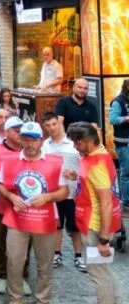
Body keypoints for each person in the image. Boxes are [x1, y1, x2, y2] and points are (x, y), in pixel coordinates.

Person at [0, 122, 68, 304]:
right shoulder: (10, 160)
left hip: (44, 220)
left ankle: (43, 299)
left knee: (45, 264)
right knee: (14, 262)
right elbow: (1, 185)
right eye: (26, 140)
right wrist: (12, 198)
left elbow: (64, 192)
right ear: (20, 140)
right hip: (17, 220)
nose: (29, 145)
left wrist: (48, 197)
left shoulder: (56, 162)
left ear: (41, 141)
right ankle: (15, 298)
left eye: (33, 140)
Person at [66, 123, 123, 304]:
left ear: (90, 141)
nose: (75, 146)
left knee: (98, 273)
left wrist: (104, 240)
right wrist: (78, 177)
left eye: (78, 143)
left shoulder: (96, 163)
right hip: (97, 221)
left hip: (95, 225)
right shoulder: (98, 153)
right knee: (103, 270)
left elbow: (105, 202)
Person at [0, 116, 27, 294]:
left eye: (21, 129)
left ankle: (22, 275)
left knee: (24, 243)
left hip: (25, 207)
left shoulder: (30, 150)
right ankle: (1, 274)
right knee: (0, 241)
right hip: (0, 205)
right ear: (6, 132)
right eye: (15, 130)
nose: (19, 133)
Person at [41, 112, 85, 272]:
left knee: (75, 226)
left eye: (54, 124)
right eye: (48, 126)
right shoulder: (45, 145)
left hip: (73, 192)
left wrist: (76, 175)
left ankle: (78, 255)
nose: (52, 128)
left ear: (59, 123)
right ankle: (57, 254)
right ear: (44, 127)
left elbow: (84, 166)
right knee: (57, 225)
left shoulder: (73, 143)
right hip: (55, 192)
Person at [108, 79, 129, 215]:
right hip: (123, 142)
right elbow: (113, 119)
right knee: (126, 173)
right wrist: (127, 118)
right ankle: (125, 202)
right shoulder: (118, 101)